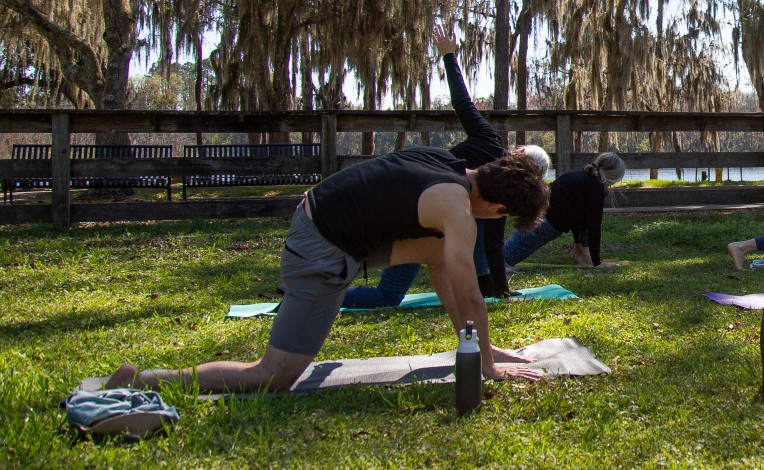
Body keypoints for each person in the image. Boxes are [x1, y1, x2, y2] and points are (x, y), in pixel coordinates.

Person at [103, 24, 551, 392]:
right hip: (320, 248)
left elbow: (442, 268)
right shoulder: (457, 209)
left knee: (436, 252)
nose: (495, 222)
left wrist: (479, 347)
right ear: (496, 205)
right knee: (273, 376)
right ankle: (143, 380)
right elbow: (471, 295)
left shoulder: (444, 161)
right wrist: (488, 366)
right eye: (502, 217)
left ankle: (471, 348)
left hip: (331, 227)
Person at [336, 150, 550, 310]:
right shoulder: (463, 200)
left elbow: (445, 267)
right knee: (385, 294)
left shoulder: (473, 172)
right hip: (354, 228)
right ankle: (330, 292)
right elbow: (481, 259)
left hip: (390, 224)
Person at [501, 152, 626, 269]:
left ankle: (496, 262)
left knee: (513, 248)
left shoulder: (585, 177)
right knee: (509, 255)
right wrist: (597, 263)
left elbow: (581, 220)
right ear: (613, 176)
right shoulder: (596, 187)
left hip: (542, 213)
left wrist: (578, 244)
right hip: (546, 220)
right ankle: (495, 265)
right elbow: (594, 227)